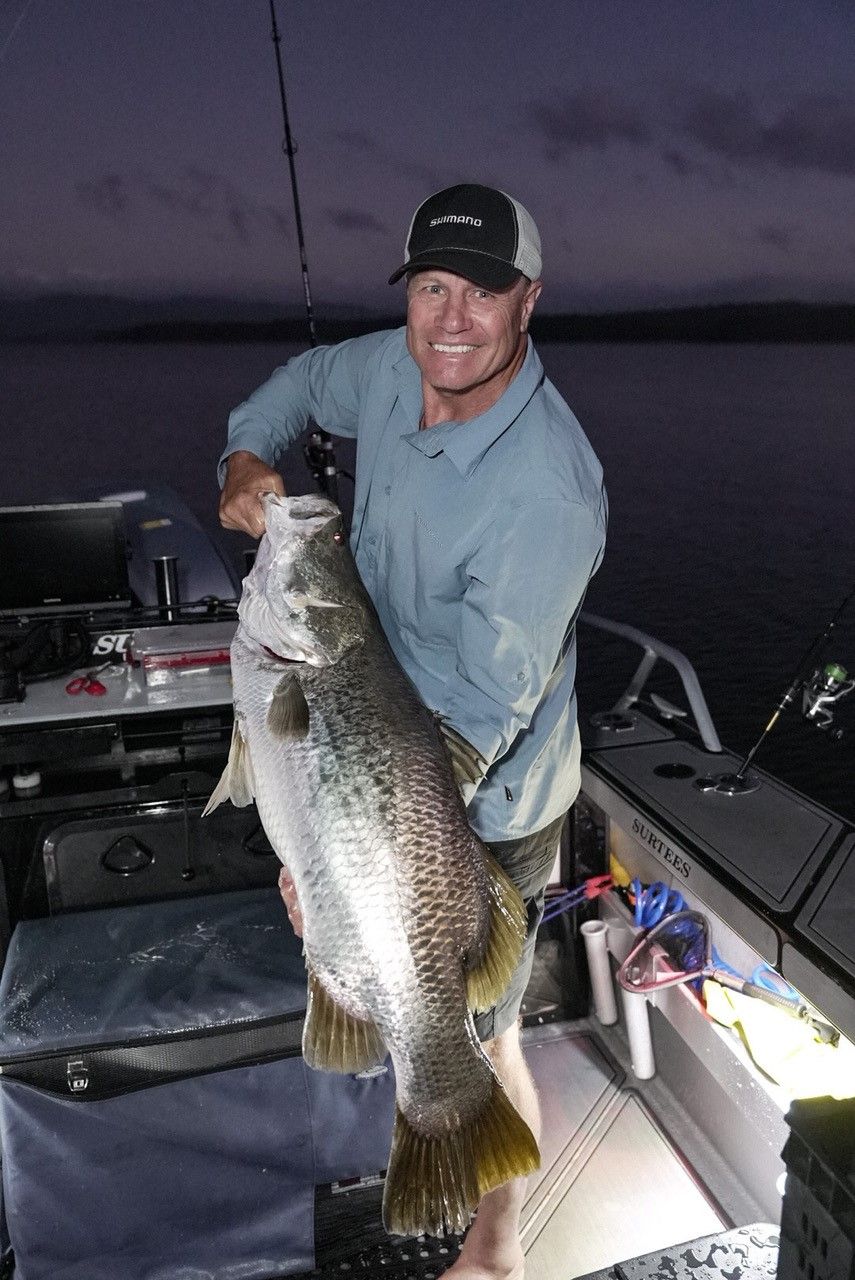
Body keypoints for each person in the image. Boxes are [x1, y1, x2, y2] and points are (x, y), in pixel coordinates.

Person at [218, 183, 607, 1280]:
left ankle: (497, 1244)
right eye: (431, 286)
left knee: (479, 1027)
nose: (449, 317)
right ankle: (453, 1141)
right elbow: (296, 386)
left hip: (492, 792)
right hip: (363, 721)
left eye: (481, 292)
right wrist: (247, 456)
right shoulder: (397, 367)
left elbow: (476, 728)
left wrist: (345, 857)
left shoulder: (548, 493)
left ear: (528, 299)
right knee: (425, 995)